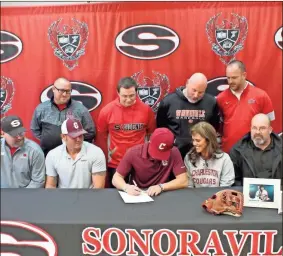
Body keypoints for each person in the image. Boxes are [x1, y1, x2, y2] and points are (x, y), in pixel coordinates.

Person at [97, 77, 156, 187]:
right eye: (124, 96)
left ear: (136, 92)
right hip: (116, 163)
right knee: (115, 197)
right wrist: (110, 154)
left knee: (142, 195)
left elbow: (151, 134)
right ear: (117, 93)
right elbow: (102, 136)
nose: (128, 99)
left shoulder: (146, 110)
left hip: (140, 162)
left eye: (132, 95)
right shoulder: (107, 111)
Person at [156, 73, 220, 159]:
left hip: (202, 155)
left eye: (201, 92)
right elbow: (161, 129)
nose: (196, 95)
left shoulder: (211, 102)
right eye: (194, 90)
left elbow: (213, 128)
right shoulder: (168, 101)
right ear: (187, 83)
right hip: (175, 155)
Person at [217, 60, 275, 153]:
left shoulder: (261, 96)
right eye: (228, 78)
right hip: (229, 153)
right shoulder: (220, 98)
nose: (230, 81)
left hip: (254, 153)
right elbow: (218, 127)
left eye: (234, 78)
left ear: (244, 75)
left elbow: (269, 125)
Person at [112, 128, 188, 196]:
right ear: (149, 141)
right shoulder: (133, 153)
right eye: (156, 151)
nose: (158, 157)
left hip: (162, 193)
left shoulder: (174, 152)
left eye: (163, 153)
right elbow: (116, 178)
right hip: (138, 193)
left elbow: (183, 181)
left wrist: (161, 187)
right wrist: (126, 187)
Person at [31, 77, 96, 156]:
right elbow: (35, 129)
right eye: (61, 90)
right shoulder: (41, 108)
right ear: (53, 89)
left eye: (68, 91)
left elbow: (90, 132)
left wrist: (75, 145)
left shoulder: (81, 110)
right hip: (47, 155)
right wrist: (47, 140)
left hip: (73, 156)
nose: (65, 94)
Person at [45, 118, 106, 189]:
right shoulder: (52, 155)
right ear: (63, 137)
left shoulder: (96, 152)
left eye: (80, 135)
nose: (78, 139)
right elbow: (51, 185)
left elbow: (98, 188)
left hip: (88, 197)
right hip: (63, 197)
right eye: (74, 136)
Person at [230, 113, 282, 186]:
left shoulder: (280, 149)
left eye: (262, 128)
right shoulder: (237, 151)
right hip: (248, 195)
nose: (257, 132)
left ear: (270, 130)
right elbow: (235, 180)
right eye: (254, 128)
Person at [184, 122, 235, 188]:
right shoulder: (189, 158)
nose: (194, 143)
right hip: (195, 197)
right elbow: (189, 186)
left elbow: (225, 187)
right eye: (193, 140)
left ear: (209, 141)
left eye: (198, 140)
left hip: (217, 196)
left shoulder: (224, 159)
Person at [1, 115, 45, 188]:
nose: (19, 137)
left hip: (26, 196)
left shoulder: (35, 151)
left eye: (21, 132)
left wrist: (21, 197)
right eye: (14, 134)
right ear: (3, 133)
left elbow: (38, 181)